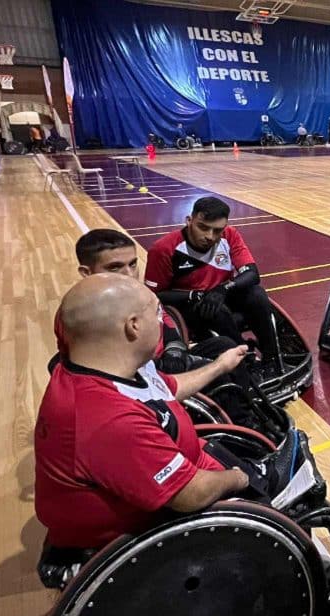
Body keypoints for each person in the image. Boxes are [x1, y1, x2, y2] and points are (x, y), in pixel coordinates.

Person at [35, 274, 251, 551]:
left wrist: (220, 366)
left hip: (188, 465)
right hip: (152, 535)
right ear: (133, 326)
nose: (162, 321)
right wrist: (237, 478)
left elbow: (167, 388)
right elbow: (191, 495)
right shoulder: (105, 418)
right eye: (157, 311)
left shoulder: (103, 366)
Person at [54, 229, 257, 421]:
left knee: (225, 344)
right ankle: (243, 423)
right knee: (220, 374)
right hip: (141, 374)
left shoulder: (138, 293)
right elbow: (111, 374)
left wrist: (174, 346)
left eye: (133, 264)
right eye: (114, 267)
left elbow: (164, 318)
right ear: (86, 272)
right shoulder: (82, 314)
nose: (128, 274)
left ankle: (248, 404)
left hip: (162, 359)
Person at [145, 196, 282, 367]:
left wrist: (223, 288)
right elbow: (154, 296)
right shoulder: (164, 249)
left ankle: (272, 357)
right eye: (203, 228)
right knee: (217, 311)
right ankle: (246, 357)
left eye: (217, 231)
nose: (210, 236)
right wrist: (194, 295)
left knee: (257, 293)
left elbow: (252, 274)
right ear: (189, 221)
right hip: (189, 305)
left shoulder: (230, 235)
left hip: (221, 294)